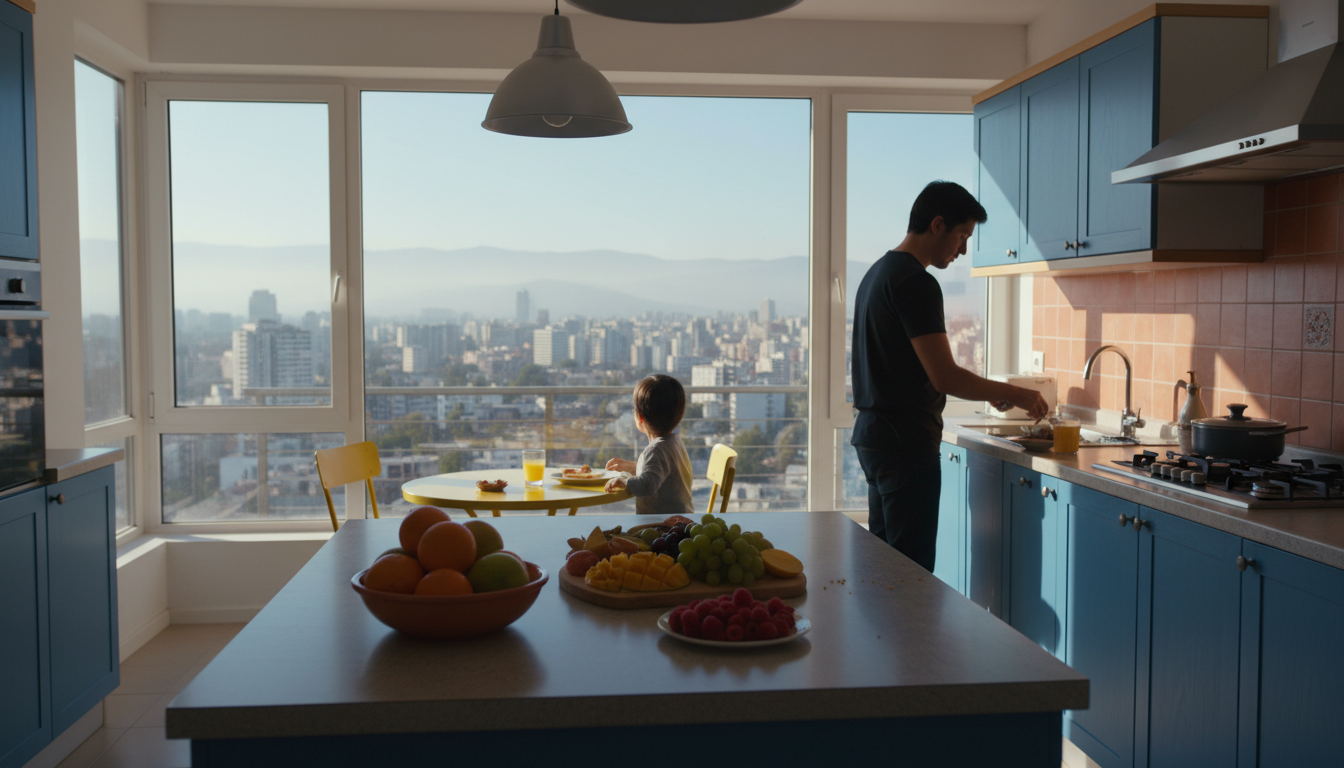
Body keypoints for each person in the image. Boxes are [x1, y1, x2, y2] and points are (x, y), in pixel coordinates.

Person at [851, 180, 1049, 572]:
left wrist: (989, 392)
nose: (962, 250)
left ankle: (885, 636)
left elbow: (912, 366)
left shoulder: (879, 272)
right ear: (938, 225)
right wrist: (1020, 394)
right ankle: (907, 637)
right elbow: (945, 377)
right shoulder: (916, 283)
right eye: (962, 236)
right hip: (906, 444)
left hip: (875, 438)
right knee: (911, 576)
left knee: (885, 570)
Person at [604, 374, 695, 516]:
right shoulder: (675, 443)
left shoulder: (654, 451)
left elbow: (648, 485)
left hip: (661, 527)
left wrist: (625, 481)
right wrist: (637, 468)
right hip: (681, 520)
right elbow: (665, 472)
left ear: (640, 417)